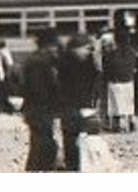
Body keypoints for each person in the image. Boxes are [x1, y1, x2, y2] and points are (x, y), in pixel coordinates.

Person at [21, 29, 63, 172]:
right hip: (40, 110)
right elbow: (38, 89)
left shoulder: (36, 60)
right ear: (48, 46)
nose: (56, 49)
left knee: (40, 144)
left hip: (36, 110)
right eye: (54, 46)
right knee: (43, 145)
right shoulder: (40, 62)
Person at [57, 35, 98, 171]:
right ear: (78, 49)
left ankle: (73, 163)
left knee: (71, 135)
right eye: (87, 49)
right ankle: (78, 163)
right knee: (77, 134)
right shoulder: (77, 63)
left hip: (70, 105)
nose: (89, 52)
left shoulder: (64, 60)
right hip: (75, 104)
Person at [103, 36, 138, 133]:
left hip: (115, 81)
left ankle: (118, 125)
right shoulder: (132, 52)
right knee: (129, 103)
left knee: (116, 105)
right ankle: (131, 122)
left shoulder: (111, 54)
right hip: (129, 80)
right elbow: (135, 66)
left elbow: (107, 68)